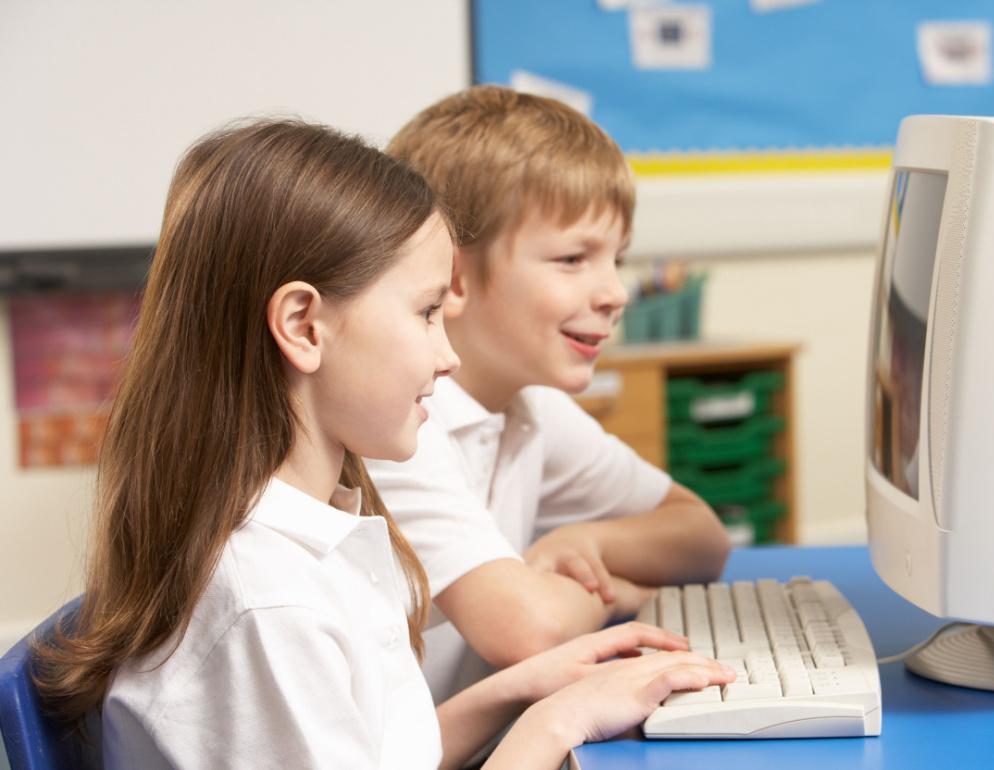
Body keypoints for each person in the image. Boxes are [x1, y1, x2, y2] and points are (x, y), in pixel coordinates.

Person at [30, 120, 732, 769]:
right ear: (304, 326)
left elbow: (386, 752)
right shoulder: (269, 605)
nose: (447, 356)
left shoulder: (320, 535)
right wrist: (557, 724)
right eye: (427, 312)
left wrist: (524, 690)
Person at [367, 85, 732, 705]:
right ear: (451, 273)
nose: (615, 292)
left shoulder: (529, 406)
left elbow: (703, 537)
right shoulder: (395, 425)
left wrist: (587, 545)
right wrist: (624, 589)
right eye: (572, 259)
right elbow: (529, 629)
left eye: (616, 258)